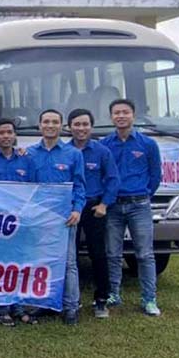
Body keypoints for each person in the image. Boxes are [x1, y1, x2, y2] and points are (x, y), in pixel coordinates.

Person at [100, 98, 163, 317]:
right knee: (112, 253)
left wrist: (143, 194)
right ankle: (113, 294)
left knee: (144, 254)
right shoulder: (105, 144)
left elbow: (155, 175)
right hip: (113, 206)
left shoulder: (148, 144)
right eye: (116, 113)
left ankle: (149, 299)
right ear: (111, 117)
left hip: (139, 205)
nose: (121, 116)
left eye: (125, 112)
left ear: (133, 115)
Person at [27, 109, 86, 325]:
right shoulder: (29, 154)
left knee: (68, 263)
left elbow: (80, 186)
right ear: (40, 125)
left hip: (64, 218)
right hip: (38, 217)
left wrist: (77, 209)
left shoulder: (73, 154)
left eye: (54, 122)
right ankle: (45, 303)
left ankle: (71, 307)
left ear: (61, 126)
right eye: (46, 122)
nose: (50, 125)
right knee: (41, 261)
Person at [0, 117, 37, 326]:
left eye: (9, 132)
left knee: (19, 262)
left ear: (14, 135)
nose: (6, 136)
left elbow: (34, 188)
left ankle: (18, 306)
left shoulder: (26, 159)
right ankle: (2, 307)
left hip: (21, 219)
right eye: (1, 133)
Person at [68, 108, 120, 319]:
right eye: (77, 124)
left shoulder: (101, 152)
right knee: (69, 256)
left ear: (91, 127)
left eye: (85, 124)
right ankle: (70, 298)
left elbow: (113, 180)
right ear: (69, 127)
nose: (81, 128)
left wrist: (104, 205)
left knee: (98, 254)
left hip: (93, 208)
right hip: (70, 210)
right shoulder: (64, 151)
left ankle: (101, 299)